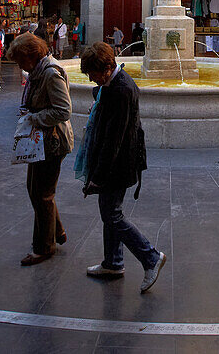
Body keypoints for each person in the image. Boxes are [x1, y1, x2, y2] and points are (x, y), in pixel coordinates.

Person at [76, 42, 166, 293]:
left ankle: (150, 258)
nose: (91, 79)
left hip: (118, 164)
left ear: (106, 68)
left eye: (93, 74)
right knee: (110, 212)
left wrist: (98, 177)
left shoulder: (121, 90)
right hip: (117, 163)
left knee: (112, 215)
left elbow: (113, 140)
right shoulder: (113, 85)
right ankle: (113, 263)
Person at [8, 32, 74, 267]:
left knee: (42, 193)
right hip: (42, 142)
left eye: (20, 60)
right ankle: (56, 232)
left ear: (31, 56)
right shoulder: (39, 71)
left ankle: (44, 247)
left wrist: (34, 118)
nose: (19, 65)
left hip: (53, 142)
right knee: (38, 190)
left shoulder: (50, 74)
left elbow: (63, 110)